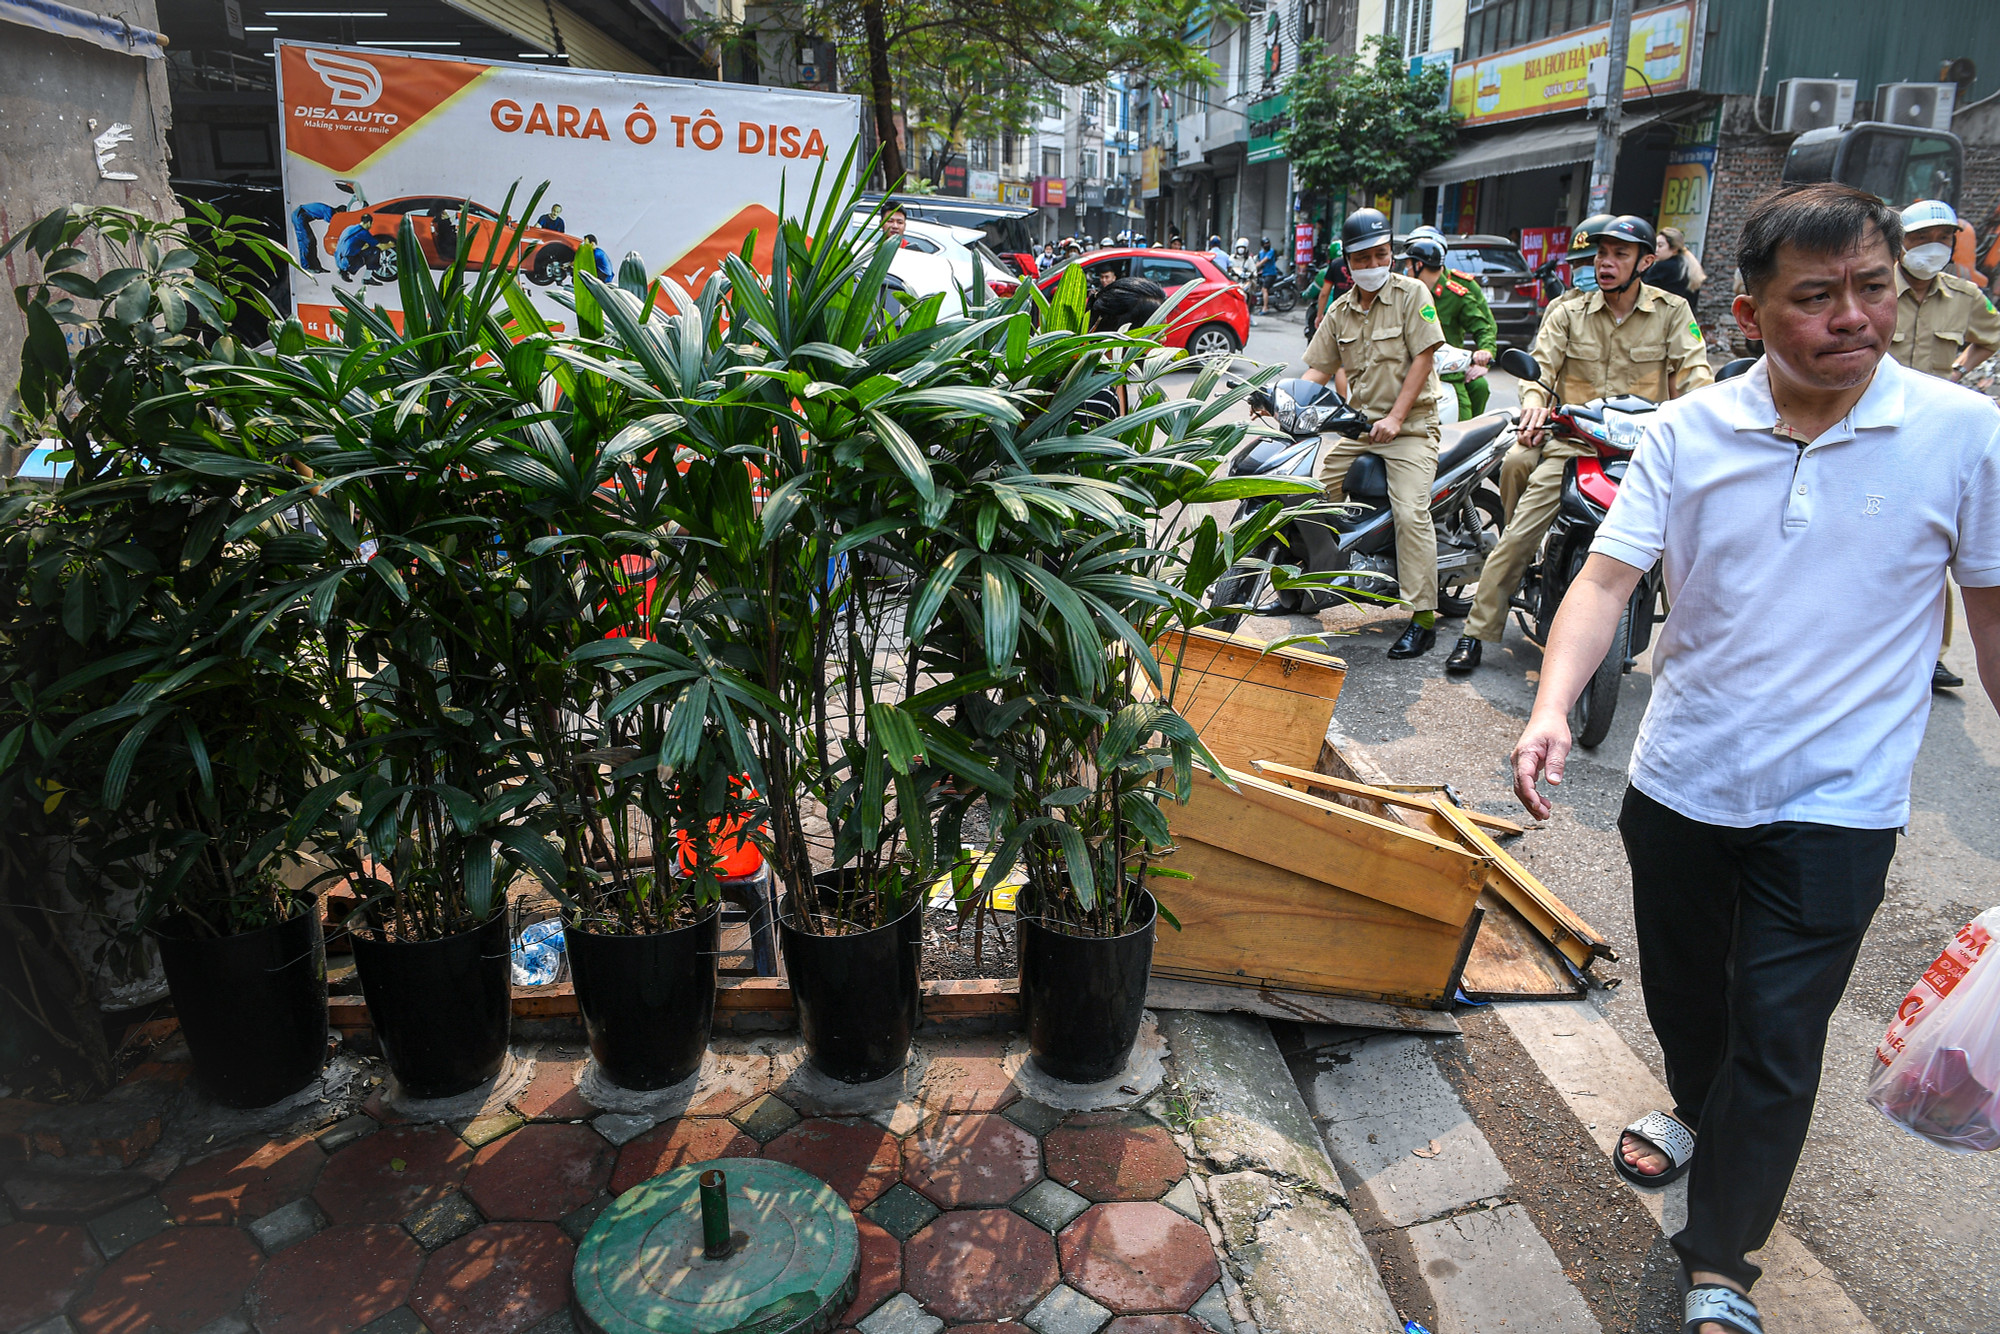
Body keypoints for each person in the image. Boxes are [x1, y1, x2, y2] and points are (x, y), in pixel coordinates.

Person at [1507, 181, 2000, 1334]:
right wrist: (1547, 707)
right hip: (1681, 780)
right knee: (1689, 998)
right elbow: (1603, 580)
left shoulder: (1962, 433)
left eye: (1871, 289)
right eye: (1816, 297)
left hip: (1840, 802)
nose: (1854, 318)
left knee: (1777, 1027)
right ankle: (1690, 1100)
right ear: (1746, 312)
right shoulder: (1687, 431)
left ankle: (1719, 1253)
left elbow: (1988, 623)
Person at [1446, 214, 1712, 672]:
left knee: (1692, 541)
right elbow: (1541, 368)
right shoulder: (1567, 311)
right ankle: (1476, 633)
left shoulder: (1673, 312)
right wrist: (1533, 400)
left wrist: (1706, 414)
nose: (1606, 263)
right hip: (1575, 446)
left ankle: (1698, 654)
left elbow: (1695, 376)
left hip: (1643, 454)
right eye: (1602, 254)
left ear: (1646, 261)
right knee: (1518, 537)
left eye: (1619, 254)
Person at [1301, 207, 1447, 659]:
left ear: (1392, 255)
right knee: (1306, 495)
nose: (1372, 265)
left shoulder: (1412, 293)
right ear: (1348, 262)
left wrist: (1398, 419)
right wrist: (1281, 402)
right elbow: (1317, 370)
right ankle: (1311, 585)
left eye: (1381, 255)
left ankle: (1422, 617)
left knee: (1410, 514)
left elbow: (1423, 358)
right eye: (1362, 259)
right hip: (1362, 429)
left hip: (1412, 428)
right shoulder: (1340, 311)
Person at [1888, 198, 2000, 691]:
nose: (1931, 248)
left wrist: (1958, 372)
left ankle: (1930, 653)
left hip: (1933, 429)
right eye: (1919, 238)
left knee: (1933, 537)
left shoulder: (1965, 295)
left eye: (1942, 238)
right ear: (1900, 243)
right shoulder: (1873, 290)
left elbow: (1990, 337)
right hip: (1869, 417)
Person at [1492, 214, 1618, 523]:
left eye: (1595, 259)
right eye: (1579, 265)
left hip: (1626, 436)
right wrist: (1535, 408)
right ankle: (1515, 539)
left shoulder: (1661, 312)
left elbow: (1689, 378)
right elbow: (1541, 365)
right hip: (1567, 427)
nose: (1591, 270)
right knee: (1515, 463)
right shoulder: (1562, 309)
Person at [1406, 235, 1497, 420]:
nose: (1405, 271)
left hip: (1447, 373)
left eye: (1408, 265)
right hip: (1409, 369)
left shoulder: (1456, 294)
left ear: (1419, 265)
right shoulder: (1406, 292)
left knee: (1463, 428)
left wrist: (1485, 352)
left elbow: (1483, 326)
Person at [1649, 225, 1705, 304]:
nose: (1656, 250)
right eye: (1655, 245)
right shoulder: (1688, 268)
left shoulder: (1663, 267)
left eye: (1660, 246)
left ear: (1674, 249)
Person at [333, 214, 387, 282]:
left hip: (338, 260)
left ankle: (343, 271)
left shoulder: (349, 227)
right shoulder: (363, 232)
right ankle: (367, 278)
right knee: (375, 250)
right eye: (371, 224)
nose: (371, 226)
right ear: (368, 223)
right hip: (348, 263)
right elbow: (381, 246)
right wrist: (392, 244)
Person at [291, 201, 335, 272]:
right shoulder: (329, 211)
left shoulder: (329, 210)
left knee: (312, 241)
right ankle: (306, 267)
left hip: (302, 216)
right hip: (299, 216)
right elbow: (334, 224)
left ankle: (317, 267)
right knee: (306, 241)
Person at [1256, 236, 1279, 313]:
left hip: (1271, 273)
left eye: (1268, 243)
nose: (1267, 245)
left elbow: (1264, 261)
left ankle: (1265, 308)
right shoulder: (1260, 253)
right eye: (1265, 244)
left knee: (1264, 289)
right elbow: (1258, 260)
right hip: (1264, 273)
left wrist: (1257, 265)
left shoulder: (1271, 251)